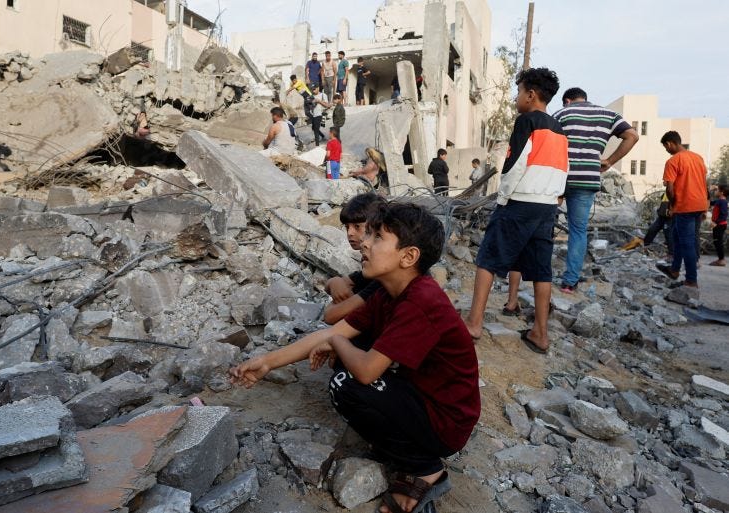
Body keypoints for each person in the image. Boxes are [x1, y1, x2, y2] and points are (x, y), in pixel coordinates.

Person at [231, 201, 480, 513]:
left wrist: (337, 341)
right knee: (349, 372)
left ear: (408, 256)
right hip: (425, 399)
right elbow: (329, 331)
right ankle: (406, 449)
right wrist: (268, 362)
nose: (364, 242)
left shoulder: (421, 302)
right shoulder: (388, 293)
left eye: (376, 237)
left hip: (447, 423)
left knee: (347, 383)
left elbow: (364, 370)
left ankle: (425, 469)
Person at [464, 67, 568, 354]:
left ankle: (473, 323)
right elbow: (563, 169)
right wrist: (555, 197)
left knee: (488, 257)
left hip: (520, 201)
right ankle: (540, 333)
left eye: (519, 92)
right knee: (541, 270)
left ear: (531, 95)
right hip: (547, 206)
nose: (516, 98)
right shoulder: (559, 129)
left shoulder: (527, 122)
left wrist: (503, 198)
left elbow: (514, 164)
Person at [553, 87, 639, 293]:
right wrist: (610, 161)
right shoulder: (609, 115)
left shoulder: (561, 113)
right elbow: (633, 136)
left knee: (547, 225)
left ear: (567, 100)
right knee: (578, 230)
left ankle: (540, 276)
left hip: (559, 177)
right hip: (588, 179)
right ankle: (569, 282)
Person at [655, 131, 709, 288]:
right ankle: (674, 270)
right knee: (677, 236)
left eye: (665, 147)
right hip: (699, 204)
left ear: (670, 143)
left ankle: (691, 280)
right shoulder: (698, 158)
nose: (666, 150)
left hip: (685, 205)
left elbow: (670, 189)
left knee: (687, 243)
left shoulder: (673, 161)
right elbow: (704, 182)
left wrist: (672, 204)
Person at [324, 193, 386, 325]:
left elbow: (330, 315)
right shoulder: (368, 266)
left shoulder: (383, 276)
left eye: (357, 226)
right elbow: (333, 285)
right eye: (347, 227)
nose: (350, 233)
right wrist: (335, 281)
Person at [709, 184, 727, 266]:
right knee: (717, 242)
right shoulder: (719, 201)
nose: (715, 191)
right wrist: (711, 190)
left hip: (720, 225)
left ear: (722, 192)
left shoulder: (723, 201)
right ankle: (720, 259)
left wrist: (716, 222)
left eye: (717, 190)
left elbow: (724, 214)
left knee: (718, 242)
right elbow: (709, 201)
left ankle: (721, 260)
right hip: (718, 225)